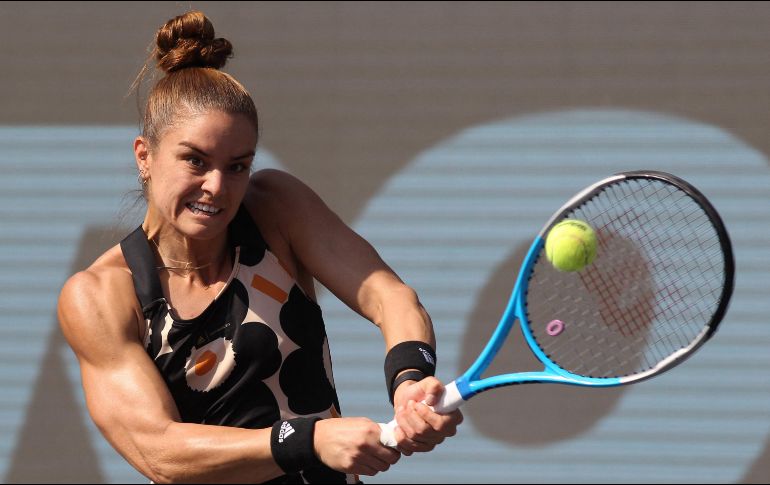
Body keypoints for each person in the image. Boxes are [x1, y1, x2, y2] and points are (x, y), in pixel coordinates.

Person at [57, 10, 462, 484]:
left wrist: (409, 380)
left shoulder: (275, 209)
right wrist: (307, 439)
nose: (216, 186)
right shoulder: (101, 295)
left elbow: (389, 296)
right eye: (195, 160)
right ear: (144, 156)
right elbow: (159, 452)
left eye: (237, 166)